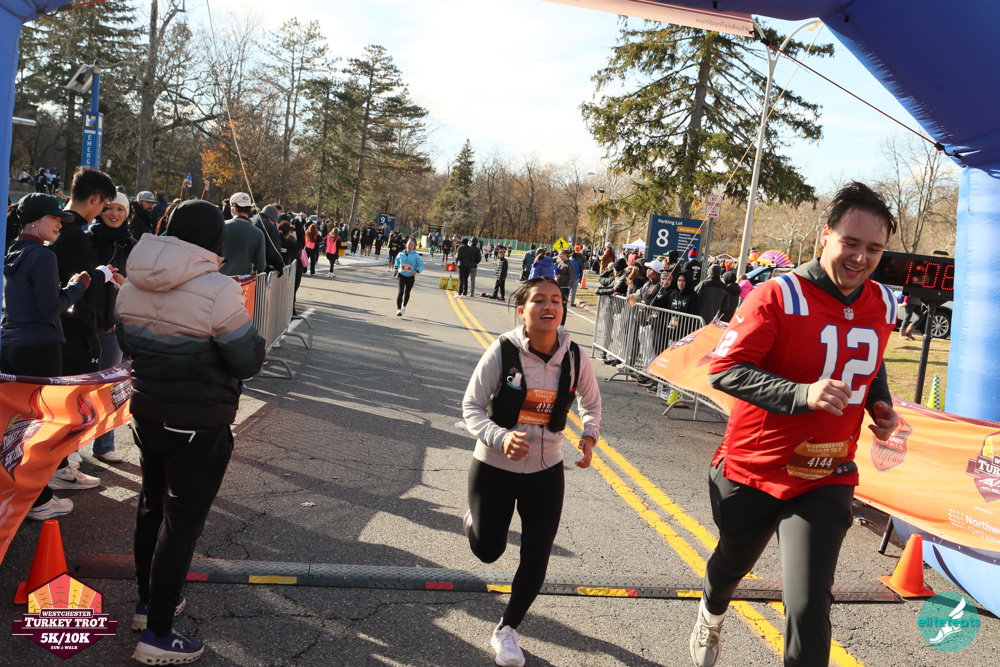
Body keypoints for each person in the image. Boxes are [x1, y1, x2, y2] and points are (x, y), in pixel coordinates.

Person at [690, 182, 900, 667]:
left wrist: (880, 404)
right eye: (850, 242)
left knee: (807, 604)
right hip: (755, 468)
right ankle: (711, 612)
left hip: (826, 473)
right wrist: (801, 394)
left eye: (873, 248)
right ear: (825, 235)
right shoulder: (778, 295)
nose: (860, 258)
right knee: (731, 565)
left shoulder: (884, 303)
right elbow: (724, 370)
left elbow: (871, 361)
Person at [116, 200, 265, 665]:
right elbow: (247, 358)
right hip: (198, 420)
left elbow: (126, 341)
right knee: (181, 524)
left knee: (151, 506)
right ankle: (158, 634)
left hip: (147, 410)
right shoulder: (218, 289)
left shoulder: (132, 279)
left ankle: (148, 604)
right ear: (213, 238)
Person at [461, 276, 601, 667]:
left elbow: (591, 404)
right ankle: (474, 521)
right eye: (539, 300)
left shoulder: (575, 357)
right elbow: (471, 406)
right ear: (522, 310)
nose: (549, 306)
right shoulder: (502, 350)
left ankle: (507, 629)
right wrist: (500, 437)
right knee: (488, 551)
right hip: (494, 466)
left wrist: (589, 435)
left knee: (537, 553)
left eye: (556, 300)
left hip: (546, 470)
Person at [2, 194, 91, 520]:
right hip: (40, 347)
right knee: (42, 427)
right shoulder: (43, 255)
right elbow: (50, 307)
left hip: (10, 345)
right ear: (34, 220)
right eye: (54, 218)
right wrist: (78, 286)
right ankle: (39, 500)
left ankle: (18, 495)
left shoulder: (12, 250)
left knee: (13, 429)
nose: (59, 224)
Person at [86, 190, 138, 463]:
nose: (114, 214)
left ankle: (104, 444)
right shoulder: (87, 240)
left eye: (120, 209)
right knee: (80, 389)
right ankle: (69, 451)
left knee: (110, 388)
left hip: (114, 326)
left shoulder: (133, 245)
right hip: (84, 324)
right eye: (109, 208)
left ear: (127, 213)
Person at [220, 192, 266, 277]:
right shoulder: (258, 233)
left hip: (219, 279)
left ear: (234, 208)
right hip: (244, 281)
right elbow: (260, 266)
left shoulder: (221, 226)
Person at [393, 238, 424, 316]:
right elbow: (397, 261)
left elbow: (421, 265)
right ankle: (398, 310)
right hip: (401, 275)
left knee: (407, 292)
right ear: (406, 245)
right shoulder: (400, 254)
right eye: (409, 244)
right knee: (400, 292)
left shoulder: (416, 256)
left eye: (412, 245)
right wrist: (396, 268)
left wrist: (417, 271)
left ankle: (404, 306)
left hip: (410, 276)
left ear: (414, 246)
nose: (410, 246)